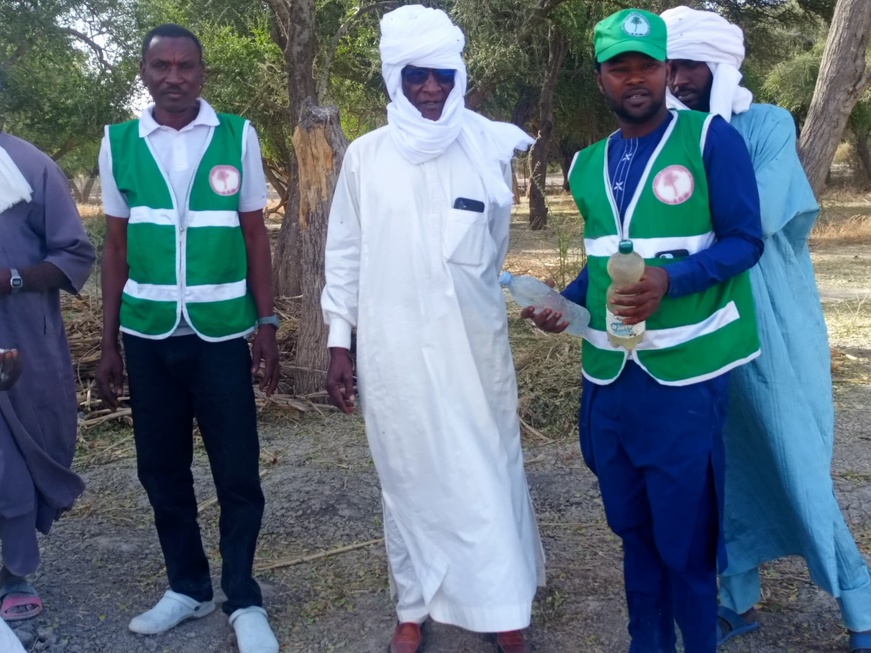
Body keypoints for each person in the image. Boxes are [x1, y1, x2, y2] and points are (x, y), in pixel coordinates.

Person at [527, 8, 764, 652]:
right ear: (600, 78)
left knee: (685, 541)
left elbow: (746, 242)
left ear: (665, 71)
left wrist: (670, 281)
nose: (635, 78)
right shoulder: (585, 164)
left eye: (647, 65)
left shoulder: (712, 139)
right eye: (619, 67)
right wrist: (561, 303)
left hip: (684, 376)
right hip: (609, 377)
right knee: (632, 529)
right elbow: (602, 268)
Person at [321, 5, 545, 653]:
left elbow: (493, 249)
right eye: (416, 76)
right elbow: (345, 250)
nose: (429, 89)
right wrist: (341, 341)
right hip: (390, 350)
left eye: (442, 76)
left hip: (473, 348)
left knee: (483, 470)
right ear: (396, 77)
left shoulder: (486, 147)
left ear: (458, 75)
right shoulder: (365, 157)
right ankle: (413, 605)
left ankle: (501, 607)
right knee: (407, 474)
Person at [662, 6, 871, 651]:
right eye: (669, 66)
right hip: (696, 315)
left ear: (720, 66)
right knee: (717, 459)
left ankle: (857, 597)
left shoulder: (767, 126)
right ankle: (736, 597)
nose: (678, 79)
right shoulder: (666, 139)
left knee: (791, 452)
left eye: (690, 65)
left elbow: (755, 214)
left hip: (771, 316)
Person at [96, 24, 280, 653]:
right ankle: (188, 585)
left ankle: (243, 596)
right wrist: (107, 343)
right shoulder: (120, 141)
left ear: (203, 73)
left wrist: (268, 324)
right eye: (161, 66)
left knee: (237, 471)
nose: (174, 77)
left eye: (186, 67)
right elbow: (115, 245)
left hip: (222, 332)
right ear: (143, 72)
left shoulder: (237, 135)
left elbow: (255, 234)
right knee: (161, 470)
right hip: (147, 334)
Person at [0, 129, 95, 622]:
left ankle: (13, 572)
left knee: (12, 463)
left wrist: (13, 278)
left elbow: (75, 255)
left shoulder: (29, 165)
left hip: (18, 340)